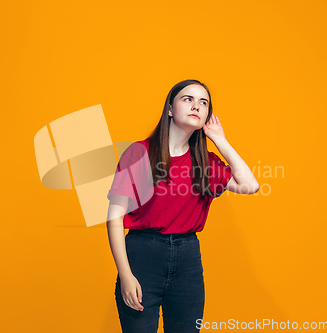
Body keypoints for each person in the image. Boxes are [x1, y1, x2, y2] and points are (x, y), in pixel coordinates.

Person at [106, 79, 259, 333]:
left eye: (203, 103)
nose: (196, 106)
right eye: (188, 99)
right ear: (170, 108)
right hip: (143, 256)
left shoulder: (206, 163)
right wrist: (125, 274)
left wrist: (220, 140)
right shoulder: (139, 153)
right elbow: (114, 217)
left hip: (187, 260)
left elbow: (250, 185)